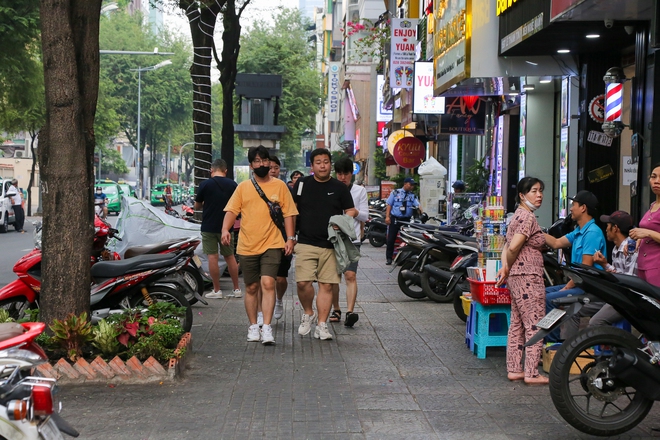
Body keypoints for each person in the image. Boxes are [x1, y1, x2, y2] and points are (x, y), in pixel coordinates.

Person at [222, 146, 298, 345]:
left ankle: (267, 327)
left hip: (273, 243)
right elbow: (231, 210)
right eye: (257, 161)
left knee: (268, 283)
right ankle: (253, 326)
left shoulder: (280, 186)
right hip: (247, 245)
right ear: (251, 165)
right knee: (252, 287)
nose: (261, 164)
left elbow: (289, 213)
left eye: (264, 160)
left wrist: (290, 238)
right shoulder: (243, 187)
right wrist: (224, 230)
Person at [293, 148, 357, 340]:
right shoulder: (302, 184)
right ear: (312, 166)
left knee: (327, 286)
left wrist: (342, 221)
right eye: (318, 162)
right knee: (303, 282)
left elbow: (351, 210)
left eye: (326, 162)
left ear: (330, 164)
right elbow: (293, 208)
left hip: (331, 244)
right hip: (305, 241)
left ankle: (322, 324)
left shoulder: (339, 187)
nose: (323, 165)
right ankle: (308, 312)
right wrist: (289, 236)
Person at [496, 177, 548, 385]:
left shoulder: (516, 216)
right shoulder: (527, 217)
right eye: (534, 191)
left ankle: (515, 369)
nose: (539, 195)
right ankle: (532, 373)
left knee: (517, 324)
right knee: (535, 324)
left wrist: (506, 267)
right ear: (522, 195)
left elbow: (506, 246)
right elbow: (514, 246)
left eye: (540, 190)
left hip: (518, 277)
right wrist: (507, 267)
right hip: (528, 277)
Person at [544, 190, 606, 343]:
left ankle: (555, 345)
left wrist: (567, 287)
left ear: (583, 208)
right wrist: (534, 228)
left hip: (588, 286)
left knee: (550, 300)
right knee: (542, 294)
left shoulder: (592, 233)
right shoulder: (578, 231)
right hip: (579, 284)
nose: (571, 208)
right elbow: (556, 243)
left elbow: (585, 268)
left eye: (574, 205)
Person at [194, 159, 241, 299]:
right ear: (225, 170)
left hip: (209, 226)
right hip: (227, 227)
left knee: (212, 256)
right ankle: (237, 289)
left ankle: (217, 290)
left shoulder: (205, 184)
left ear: (211, 170)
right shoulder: (233, 185)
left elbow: (197, 206)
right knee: (230, 256)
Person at [330, 157, 369, 327]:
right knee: (332, 277)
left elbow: (365, 216)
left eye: (346, 173)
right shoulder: (329, 189)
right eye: (339, 173)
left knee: (350, 275)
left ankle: (350, 312)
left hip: (352, 240)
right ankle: (336, 309)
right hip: (332, 239)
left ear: (351, 174)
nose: (342, 177)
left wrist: (353, 211)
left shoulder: (359, 191)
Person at [587, 210, 638, 327]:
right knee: (575, 307)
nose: (606, 229)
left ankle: (612, 343)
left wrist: (607, 267)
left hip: (626, 298)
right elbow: (618, 274)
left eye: (608, 226)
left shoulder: (630, 249)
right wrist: (605, 265)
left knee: (595, 322)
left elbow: (629, 282)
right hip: (615, 294)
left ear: (615, 228)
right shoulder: (616, 248)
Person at [630, 163, 660, 285]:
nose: (657, 181)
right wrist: (638, 240)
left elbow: (650, 231)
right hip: (643, 264)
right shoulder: (653, 205)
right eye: (653, 177)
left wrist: (647, 232)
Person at [269, 156, 291, 321]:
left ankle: (278, 300)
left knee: (281, 277)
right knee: (265, 277)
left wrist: (291, 237)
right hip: (263, 239)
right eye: (270, 167)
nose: (273, 170)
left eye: (276, 167)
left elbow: (292, 214)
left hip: (282, 238)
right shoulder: (254, 187)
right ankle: (264, 309)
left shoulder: (285, 188)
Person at [385, 177, 421, 265]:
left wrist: (423, 213)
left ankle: (403, 258)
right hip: (395, 219)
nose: (412, 187)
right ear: (405, 184)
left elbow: (418, 205)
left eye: (413, 185)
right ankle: (389, 258)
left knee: (406, 240)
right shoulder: (395, 193)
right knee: (391, 239)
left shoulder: (412, 195)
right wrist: (387, 217)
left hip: (406, 220)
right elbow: (389, 205)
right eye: (410, 185)